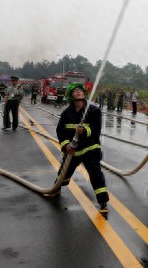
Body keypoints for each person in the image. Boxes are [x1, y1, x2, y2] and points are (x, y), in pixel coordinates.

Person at [53, 83, 109, 216]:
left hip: (90, 148)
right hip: (73, 151)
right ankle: (56, 188)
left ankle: (102, 202)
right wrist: (66, 144)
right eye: (75, 91)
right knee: (64, 172)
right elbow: (61, 130)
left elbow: (96, 130)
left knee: (95, 174)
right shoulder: (67, 113)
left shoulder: (94, 111)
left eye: (80, 90)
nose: (78, 92)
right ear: (71, 96)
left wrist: (84, 130)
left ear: (84, 93)